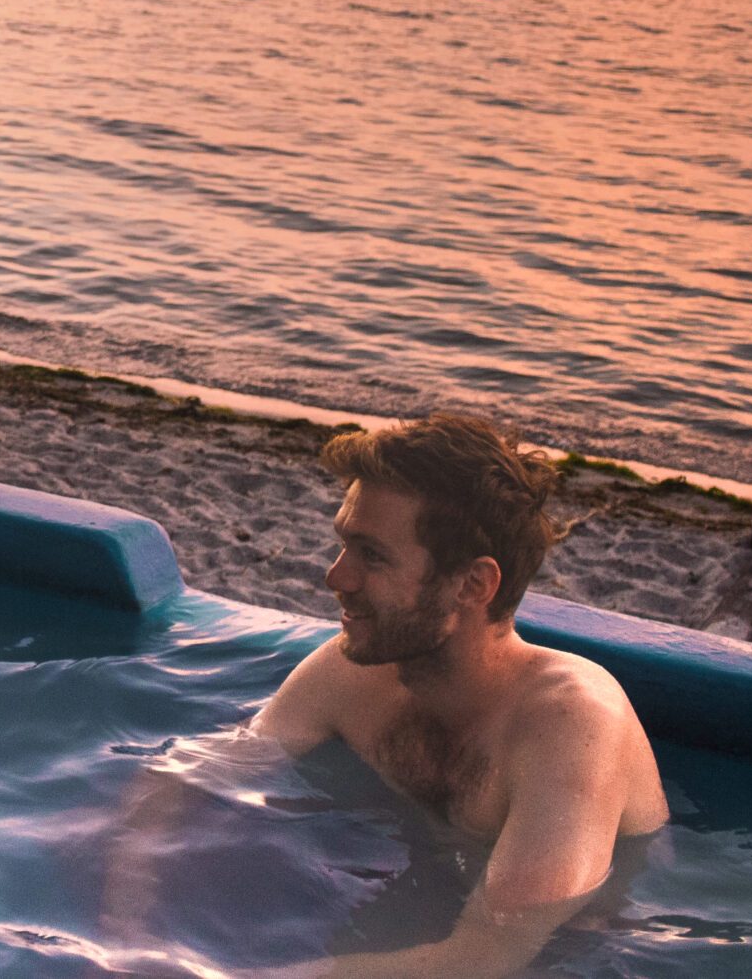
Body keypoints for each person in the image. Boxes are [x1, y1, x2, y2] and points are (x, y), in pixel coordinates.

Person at [103, 414, 667, 979]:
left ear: (473, 585)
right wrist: (124, 934)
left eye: (371, 555)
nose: (335, 577)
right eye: (344, 544)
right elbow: (191, 777)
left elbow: (486, 958)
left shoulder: (572, 723)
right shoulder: (356, 670)